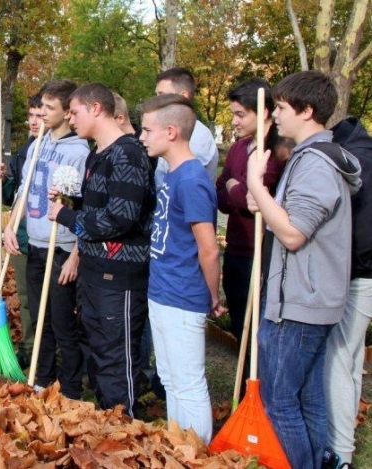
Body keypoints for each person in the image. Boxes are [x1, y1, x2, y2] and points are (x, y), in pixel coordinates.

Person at [246, 71, 360, 469]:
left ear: (307, 110)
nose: (274, 115)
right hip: (307, 300)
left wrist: (254, 184)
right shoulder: (312, 158)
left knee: (279, 402)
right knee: (307, 398)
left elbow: (294, 234)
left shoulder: (315, 163)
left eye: (280, 107)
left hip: (300, 304)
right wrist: (265, 202)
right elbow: (291, 217)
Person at [48, 83, 155, 414]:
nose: (71, 119)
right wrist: (73, 199)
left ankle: (125, 431)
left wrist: (66, 215)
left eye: (75, 112)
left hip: (118, 277)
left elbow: (119, 219)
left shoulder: (129, 153)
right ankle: (106, 428)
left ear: (96, 108)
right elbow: (99, 207)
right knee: (96, 353)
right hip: (94, 273)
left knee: (115, 359)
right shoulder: (98, 154)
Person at [139, 93, 224, 443]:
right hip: (161, 290)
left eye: (147, 130)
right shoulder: (172, 174)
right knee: (170, 378)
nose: (141, 137)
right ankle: (179, 446)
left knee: (188, 383)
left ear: (171, 131)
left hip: (183, 295)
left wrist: (213, 296)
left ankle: (198, 452)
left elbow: (208, 248)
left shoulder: (191, 179)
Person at [3, 79, 88, 399]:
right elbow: (24, 191)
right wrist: (11, 226)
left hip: (62, 247)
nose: (42, 114)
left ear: (68, 112)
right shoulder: (38, 142)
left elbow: (84, 208)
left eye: (50, 108)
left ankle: (71, 388)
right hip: (36, 244)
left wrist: (76, 255)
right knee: (39, 318)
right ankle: (42, 377)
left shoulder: (78, 151)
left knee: (63, 321)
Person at [215, 78, 284, 393]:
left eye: (241, 114)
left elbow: (260, 196)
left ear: (265, 111)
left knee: (264, 333)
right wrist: (238, 189)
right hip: (239, 251)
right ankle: (245, 400)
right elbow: (224, 192)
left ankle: (266, 400)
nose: (235, 121)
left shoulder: (279, 149)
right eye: (233, 114)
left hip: (267, 253)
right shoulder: (239, 148)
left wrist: (238, 188)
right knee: (242, 325)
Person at [323, 117, 372, 469]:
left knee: (339, 361)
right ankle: (344, 439)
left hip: (356, 273)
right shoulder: (363, 152)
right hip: (363, 273)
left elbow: (360, 228)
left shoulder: (353, 161)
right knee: (350, 361)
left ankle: (339, 451)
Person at [0, 93, 43, 367]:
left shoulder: (58, 148)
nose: (34, 122)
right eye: (31, 116)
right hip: (23, 237)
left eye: (39, 115)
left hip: (52, 238)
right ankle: (30, 346)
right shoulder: (25, 151)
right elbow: (12, 197)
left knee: (50, 299)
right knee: (25, 296)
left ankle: (46, 349)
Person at [153, 67, 219, 186]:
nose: (157, 100)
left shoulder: (196, 137)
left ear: (183, 96)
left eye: (161, 94)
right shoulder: (175, 131)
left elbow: (187, 186)